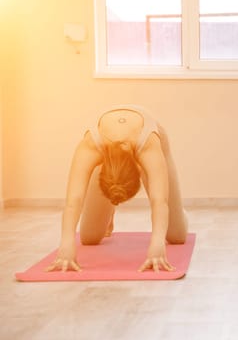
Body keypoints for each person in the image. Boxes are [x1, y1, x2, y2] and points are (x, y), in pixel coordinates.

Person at [46, 105, 188, 272]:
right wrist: (66, 244)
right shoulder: (91, 145)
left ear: (138, 170)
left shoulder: (149, 145)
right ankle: (109, 212)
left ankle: (180, 210)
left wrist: (157, 245)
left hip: (153, 147)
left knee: (176, 236)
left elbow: (159, 201)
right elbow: (73, 201)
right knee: (89, 237)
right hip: (109, 152)